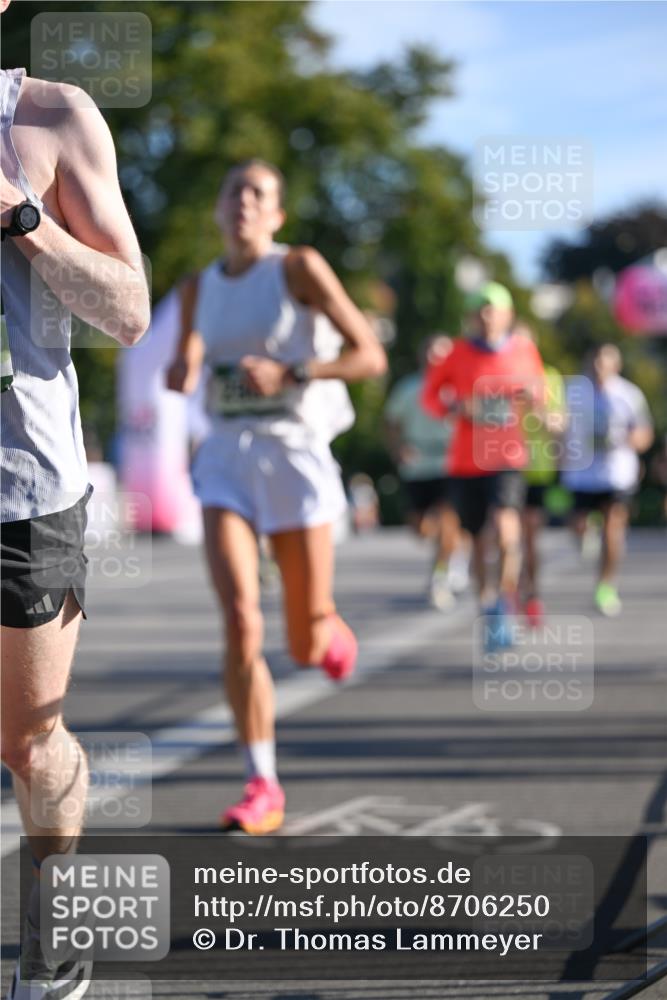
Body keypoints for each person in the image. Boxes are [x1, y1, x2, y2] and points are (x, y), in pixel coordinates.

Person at [165, 159, 386, 834]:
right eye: (234, 191)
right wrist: (185, 367)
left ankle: (326, 627)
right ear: (219, 207)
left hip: (294, 452)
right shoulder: (200, 285)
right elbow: (188, 359)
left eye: (258, 194)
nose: (244, 202)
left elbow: (368, 355)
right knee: (239, 620)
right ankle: (261, 783)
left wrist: (292, 369)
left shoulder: (299, 268)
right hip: (228, 455)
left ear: (276, 215)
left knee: (302, 640)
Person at [1, 42, 150, 1000]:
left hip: (20, 486)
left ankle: (51, 945)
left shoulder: (51, 117)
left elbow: (129, 310)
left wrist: (22, 219)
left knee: (27, 742)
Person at [421, 283, 545, 650]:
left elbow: (539, 392)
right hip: (465, 460)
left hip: (507, 456)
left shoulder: (524, 349)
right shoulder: (456, 353)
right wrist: (454, 408)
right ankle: (488, 604)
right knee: (476, 539)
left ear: (508, 315)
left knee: (508, 533)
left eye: (495, 309)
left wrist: (531, 398)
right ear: (472, 317)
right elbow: (430, 395)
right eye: (481, 310)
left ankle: (506, 602)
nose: (488, 316)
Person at [562, 344, 653, 617]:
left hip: (616, 473)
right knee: (579, 527)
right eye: (596, 360)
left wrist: (629, 439)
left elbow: (644, 434)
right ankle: (585, 535)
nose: (600, 366)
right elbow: (559, 425)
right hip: (581, 475)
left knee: (613, 529)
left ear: (617, 364)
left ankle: (606, 586)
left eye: (606, 361)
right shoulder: (574, 391)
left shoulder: (628, 394)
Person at [384, 335, 468, 610]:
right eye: (431, 352)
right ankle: (452, 550)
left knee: (448, 519)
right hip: (418, 462)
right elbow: (391, 422)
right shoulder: (409, 388)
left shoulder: (457, 387)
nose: (436, 359)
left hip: (450, 462)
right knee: (420, 528)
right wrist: (398, 450)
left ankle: (440, 575)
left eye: (442, 354)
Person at [513, 322, 566, 627]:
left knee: (529, 539)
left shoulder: (550, 376)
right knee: (506, 538)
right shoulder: (498, 375)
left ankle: (531, 594)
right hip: (501, 466)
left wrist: (537, 408)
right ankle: (509, 595)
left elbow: (559, 423)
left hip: (537, 469)